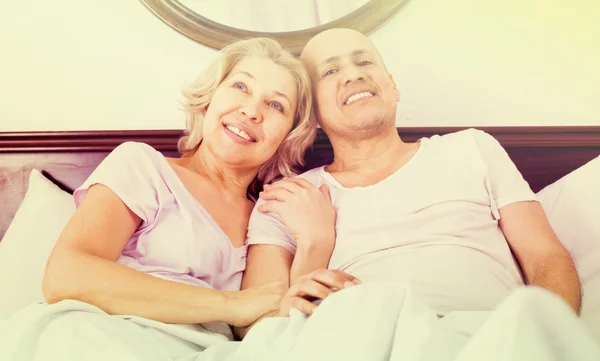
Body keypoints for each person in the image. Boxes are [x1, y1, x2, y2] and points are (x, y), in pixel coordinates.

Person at [236, 28, 582, 340]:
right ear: (311, 113)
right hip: (365, 338)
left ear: (392, 85)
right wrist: (313, 246)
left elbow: (547, 258)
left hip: (489, 338)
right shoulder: (286, 199)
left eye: (364, 61)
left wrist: (545, 334)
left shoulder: (473, 149)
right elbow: (256, 326)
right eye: (330, 71)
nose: (354, 74)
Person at [0, 37, 316, 359]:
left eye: (276, 105)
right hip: (96, 336)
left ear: (290, 134)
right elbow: (66, 275)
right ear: (209, 99)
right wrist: (230, 305)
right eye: (240, 87)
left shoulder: (270, 214)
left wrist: (315, 242)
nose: (251, 110)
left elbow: (263, 326)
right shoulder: (143, 165)